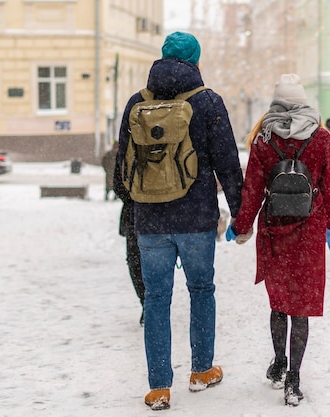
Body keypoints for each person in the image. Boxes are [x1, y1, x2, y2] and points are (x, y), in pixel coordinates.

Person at [116, 31, 243, 411]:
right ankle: (201, 370)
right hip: (196, 218)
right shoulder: (208, 102)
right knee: (201, 290)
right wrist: (240, 211)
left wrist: (137, 205)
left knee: (156, 299)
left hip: (150, 220)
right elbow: (228, 163)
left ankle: (159, 387)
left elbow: (122, 165)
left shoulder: (137, 102)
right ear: (195, 61)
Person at [226, 74, 330, 407]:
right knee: (300, 307)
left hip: (275, 230)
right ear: (304, 102)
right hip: (308, 231)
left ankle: (278, 364)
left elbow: (252, 189)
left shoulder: (264, 138)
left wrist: (241, 225)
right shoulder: (321, 138)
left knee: (279, 303)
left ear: (275, 104)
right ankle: (294, 379)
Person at [113, 160, 145, 326]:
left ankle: (148, 302)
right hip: (162, 213)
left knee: (135, 261)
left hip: (134, 214)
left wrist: (135, 198)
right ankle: (154, 303)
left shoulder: (129, 143)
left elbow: (118, 186)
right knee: (156, 260)